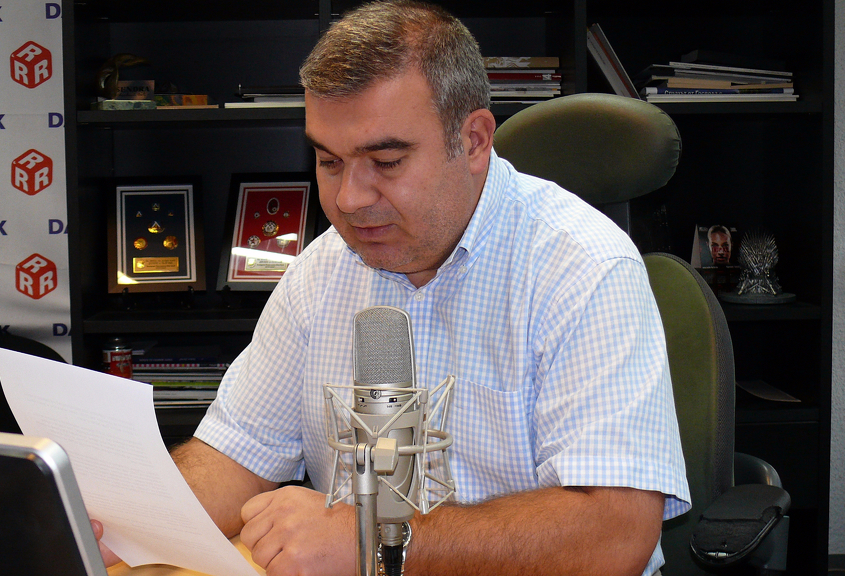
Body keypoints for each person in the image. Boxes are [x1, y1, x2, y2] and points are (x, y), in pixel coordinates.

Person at [94, 2, 690, 575]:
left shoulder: (583, 268)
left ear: (474, 141)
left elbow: (615, 535)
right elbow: (235, 455)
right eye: (329, 162)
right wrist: (120, 520)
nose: (349, 200)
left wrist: (377, 540)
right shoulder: (322, 270)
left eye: (386, 161)